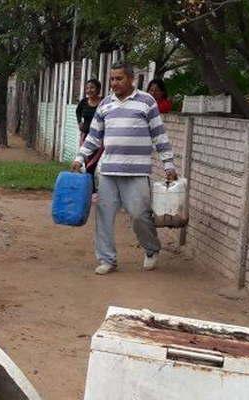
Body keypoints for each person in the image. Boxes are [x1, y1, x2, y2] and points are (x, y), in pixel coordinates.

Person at [71, 61, 178, 275]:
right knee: (104, 216)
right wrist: (80, 158)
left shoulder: (146, 102)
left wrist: (168, 164)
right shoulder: (105, 105)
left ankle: (151, 249)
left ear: (131, 79)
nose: (114, 83)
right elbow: (93, 137)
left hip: (137, 172)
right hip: (108, 171)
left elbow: (159, 136)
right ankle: (107, 259)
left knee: (139, 215)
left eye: (119, 78)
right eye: (112, 79)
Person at [75, 79, 103, 195]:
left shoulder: (103, 102)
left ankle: (91, 189)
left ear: (98, 89)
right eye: (87, 88)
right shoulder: (84, 102)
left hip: (99, 138)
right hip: (86, 136)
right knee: (86, 161)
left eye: (92, 87)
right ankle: (89, 189)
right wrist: (79, 123)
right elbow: (78, 112)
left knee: (93, 163)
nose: (89, 90)